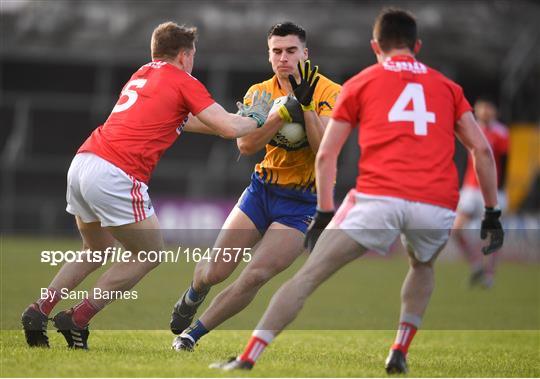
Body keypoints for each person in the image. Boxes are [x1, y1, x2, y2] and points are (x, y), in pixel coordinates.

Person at [210, 8, 504, 374]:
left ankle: (248, 357)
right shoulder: (448, 88)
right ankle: (399, 348)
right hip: (436, 202)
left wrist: (324, 212)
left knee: (308, 276)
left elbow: (328, 152)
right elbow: (481, 151)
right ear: (418, 45)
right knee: (423, 265)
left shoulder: (362, 82)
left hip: (378, 196)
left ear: (375, 46)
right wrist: (492, 213)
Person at [21, 21, 273, 349]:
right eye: (193, 54)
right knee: (151, 253)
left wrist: (239, 120)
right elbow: (227, 128)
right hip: (116, 172)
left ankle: (39, 310)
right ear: (184, 55)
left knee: (95, 250)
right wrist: (256, 119)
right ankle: (78, 318)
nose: (193, 61)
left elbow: (199, 121)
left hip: (84, 162)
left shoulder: (143, 74)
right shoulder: (183, 79)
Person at [169, 22, 341, 351]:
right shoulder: (260, 93)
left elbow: (325, 150)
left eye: (291, 51)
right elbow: (246, 146)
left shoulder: (330, 92)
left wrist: (304, 108)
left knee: (255, 275)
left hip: (302, 204)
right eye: (276, 51)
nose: (284, 58)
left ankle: (192, 335)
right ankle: (193, 293)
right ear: (269, 56)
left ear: (305, 53)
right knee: (214, 272)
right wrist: (278, 116)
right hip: (262, 191)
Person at [453, 97, 509, 288]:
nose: (484, 111)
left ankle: (489, 274)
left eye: (488, 107)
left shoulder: (501, 133)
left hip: (492, 190)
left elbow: (505, 163)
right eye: (481, 108)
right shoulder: (471, 128)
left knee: (492, 234)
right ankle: (476, 264)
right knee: (455, 230)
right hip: (470, 188)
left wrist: (500, 192)